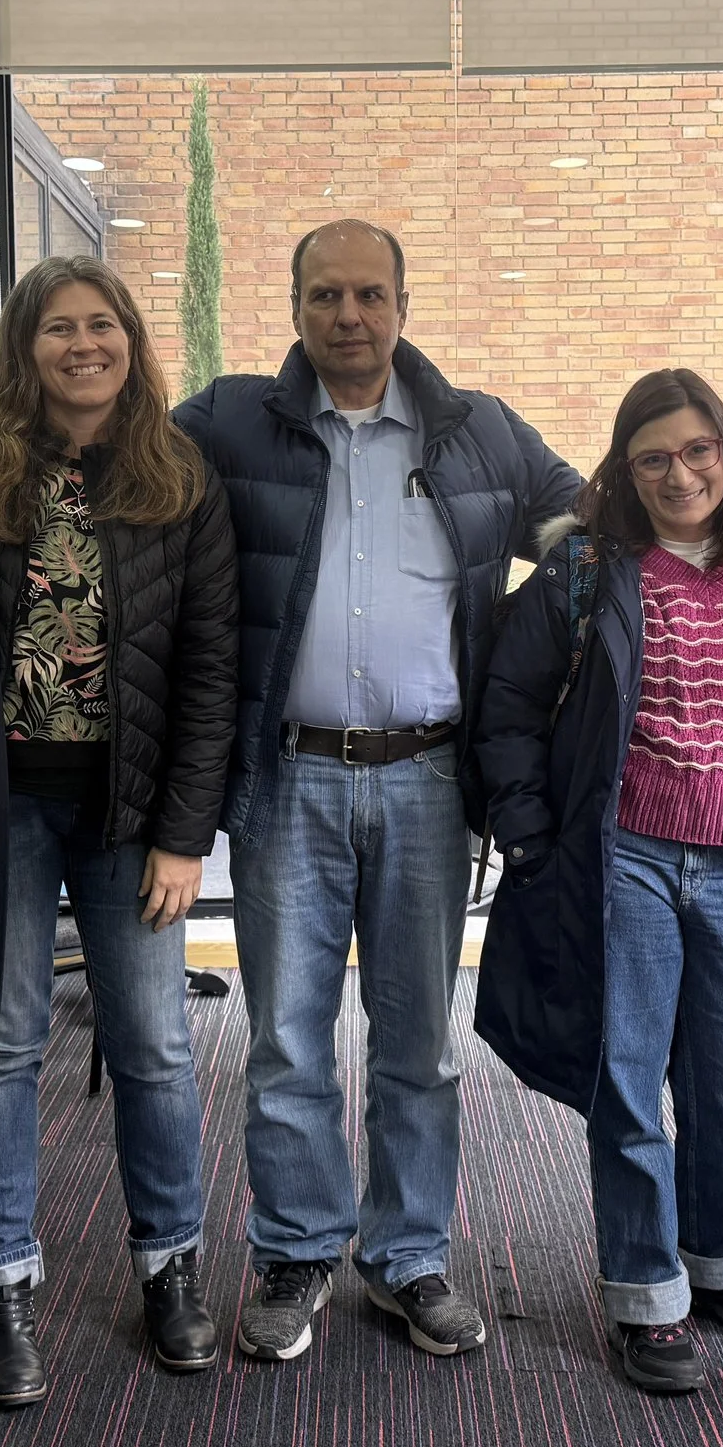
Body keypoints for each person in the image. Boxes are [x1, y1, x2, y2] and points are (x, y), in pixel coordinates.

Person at [175, 218, 583, 1363]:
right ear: (294, 306)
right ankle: (298, 1249)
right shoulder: (229, 422)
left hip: (428, 781)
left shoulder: (479, 431)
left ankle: (410, 1256)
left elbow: (596, 519)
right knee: (285, 1039)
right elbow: (112, 472)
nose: (347, 316)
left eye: (367, 294)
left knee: (418, 1043)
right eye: (324, 295)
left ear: (404, 304)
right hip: (288, 778)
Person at [473, 371, 723, 1394]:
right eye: (652, 458)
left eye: (698, 451)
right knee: (629, 1081)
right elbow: (509, 705)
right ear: (623, 469)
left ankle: (717, 1252)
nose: (679, 475)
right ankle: (645, 1290)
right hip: (628, 854)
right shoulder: (590, 568)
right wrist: (530, 840)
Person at [0, 257, 238, 1403]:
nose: (83, 344)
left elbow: (210, 669)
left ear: (131, 340)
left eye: (102, 324)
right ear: (24, 348)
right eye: (58, 328)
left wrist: (185, 834)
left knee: (154, 1047)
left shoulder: (179, 474)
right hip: (0, 805)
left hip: (131, 813)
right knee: (2, 1047)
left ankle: (170, 1267)